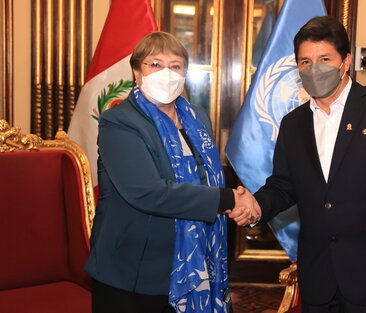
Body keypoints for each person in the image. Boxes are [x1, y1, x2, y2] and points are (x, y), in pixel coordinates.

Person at [234, 16, 366, 313]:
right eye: (304, 62)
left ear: (346, 62)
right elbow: (284, 184)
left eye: (324, 58)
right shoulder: (293, 124)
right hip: (318, 278)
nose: (313, 68)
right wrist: (258, 206)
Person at [85, 31, 254, 313]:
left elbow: (205, 176)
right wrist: (228, 200)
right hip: (134, 272)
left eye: (175, 66)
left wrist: (234, 199)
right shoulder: (120, 122)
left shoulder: (196, 116)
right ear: (137, 72)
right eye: (155, 64)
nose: (167, 73)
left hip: (198, 264)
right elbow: (148, 192)